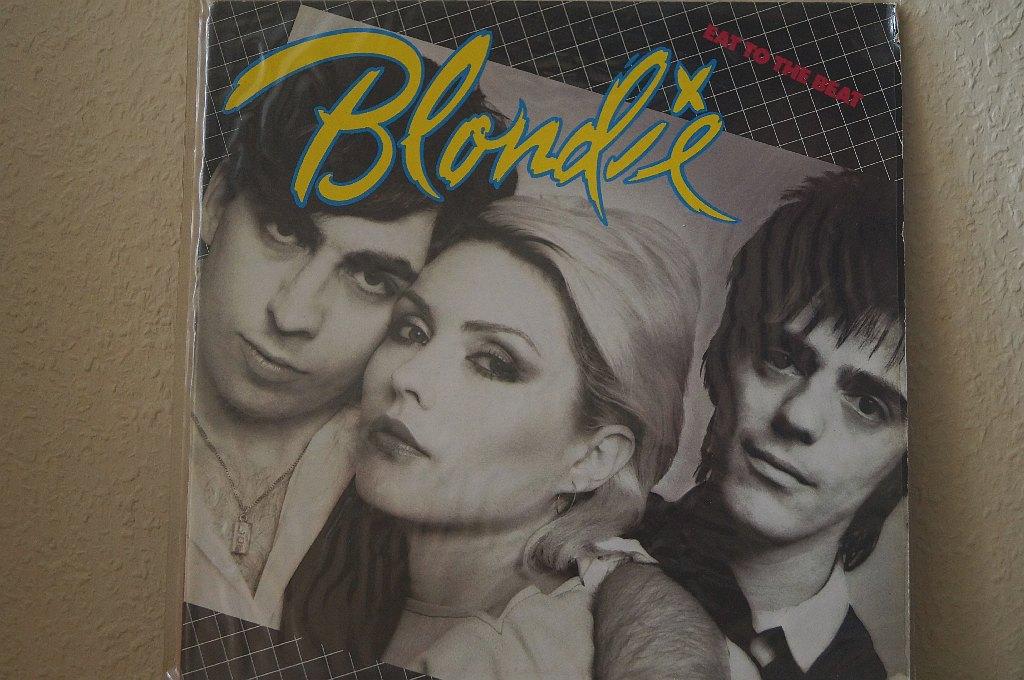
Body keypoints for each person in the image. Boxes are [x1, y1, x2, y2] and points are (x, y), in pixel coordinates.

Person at [288, 195, 723, 678]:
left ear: (594, 458)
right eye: (413, 331)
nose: (408, 376)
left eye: (493, 363)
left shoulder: (529, 655)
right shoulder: (343, 559)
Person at [185, 52, 514, 628]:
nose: (292, 314)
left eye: (370, 278)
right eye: (284, 230)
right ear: (214, 205)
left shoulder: (413, 467)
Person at [595, 170, 907, 680]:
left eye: (868, 405)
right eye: (783, 358)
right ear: (724, 356)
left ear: (907, 467)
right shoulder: (562, 530)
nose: (799, 417)